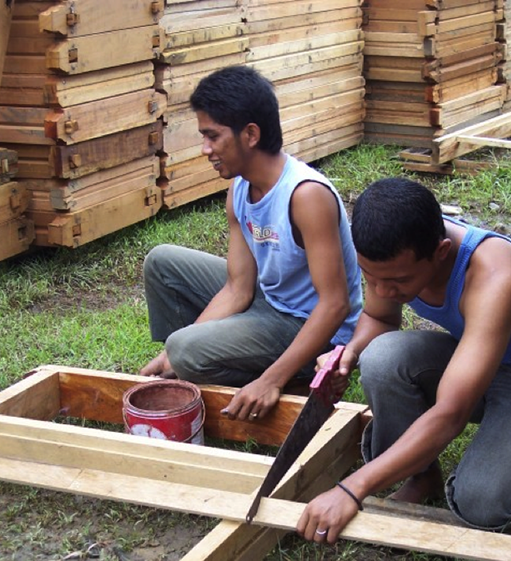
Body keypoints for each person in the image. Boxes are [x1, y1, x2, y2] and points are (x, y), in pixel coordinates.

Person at [297, 177, 511, 542]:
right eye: (372, 277)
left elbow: (451, 413)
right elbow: (381, 319)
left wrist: (351, 489)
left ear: (442, 252)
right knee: (381, 357)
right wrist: (349, 354)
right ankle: (423, 475)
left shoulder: (496, 276)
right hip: (475, 355)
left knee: (481, 502)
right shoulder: (390, 255)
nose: (384, 290)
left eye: (398, 281)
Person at [139, 66, 363, 422]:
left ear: (251, 134)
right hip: (268, 300)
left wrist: (271, 379)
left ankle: (293, 377)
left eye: (213, 136)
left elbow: (336, 305)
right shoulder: (239, 189)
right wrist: (174, 351)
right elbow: (237, 288)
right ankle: (184, 367)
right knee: (163, 263)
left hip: (309, 324)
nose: (205, 149)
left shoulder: (306, 196)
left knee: (185, 348)